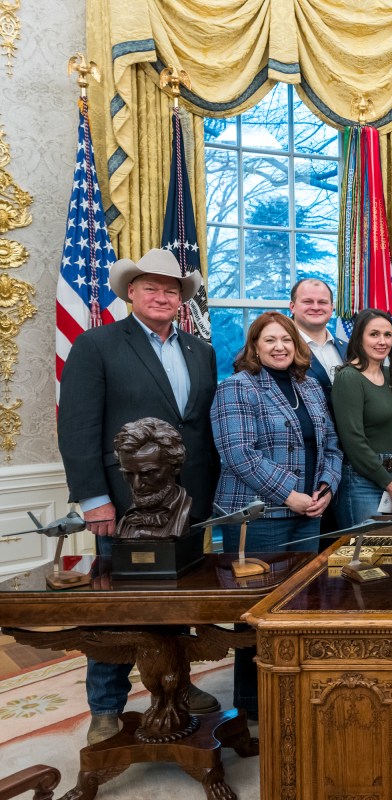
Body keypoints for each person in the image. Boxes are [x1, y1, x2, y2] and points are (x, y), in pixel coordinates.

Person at [58, 248, 221, 745]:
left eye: (171, 290)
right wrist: (93, 499)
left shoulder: (201, 351)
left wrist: (210, 497)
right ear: (131, 292)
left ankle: (179, 684)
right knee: (117, 605)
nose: (161, 296)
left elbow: (202, 428)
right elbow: (78, 424)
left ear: (182, 300)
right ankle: (105, 704)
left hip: (186, 503)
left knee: (181, 602)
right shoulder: (97, 344)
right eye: (150, 287)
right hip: (123, 500)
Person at [211, 311, 341, 721]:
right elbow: (237, 454)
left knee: (297, 609)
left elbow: (333, 447)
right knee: (258, 614)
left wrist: (324, 489)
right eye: (269, 340)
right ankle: (253, 706)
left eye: (286, 339)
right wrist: (291, 495)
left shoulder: (311, 388)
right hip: (259, 518)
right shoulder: (236, 387)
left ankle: (292, 693)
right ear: (254, 347)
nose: (280, 347)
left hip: (310, 513)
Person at [331, 309, 392, 527]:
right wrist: (391, 485)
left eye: (387, 335)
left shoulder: (389, 375)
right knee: (365, 555)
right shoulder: (348, 377)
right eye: (374, 334)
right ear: (359, 337)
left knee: (388, 553)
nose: (382, 341)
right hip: (361, 481)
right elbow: (353, 442)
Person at [113, 418, 192, 541]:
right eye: (129, 474)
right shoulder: (126, 520)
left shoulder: (185, 512)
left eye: (148, 473)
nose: (137, 485)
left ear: (175, 467)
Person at [289, 278, 344, 402]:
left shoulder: (349, 348)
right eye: (307, 301)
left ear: (331, 308)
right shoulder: (278, 350)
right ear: (292, 307)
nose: (315, 307)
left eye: (322, 302)